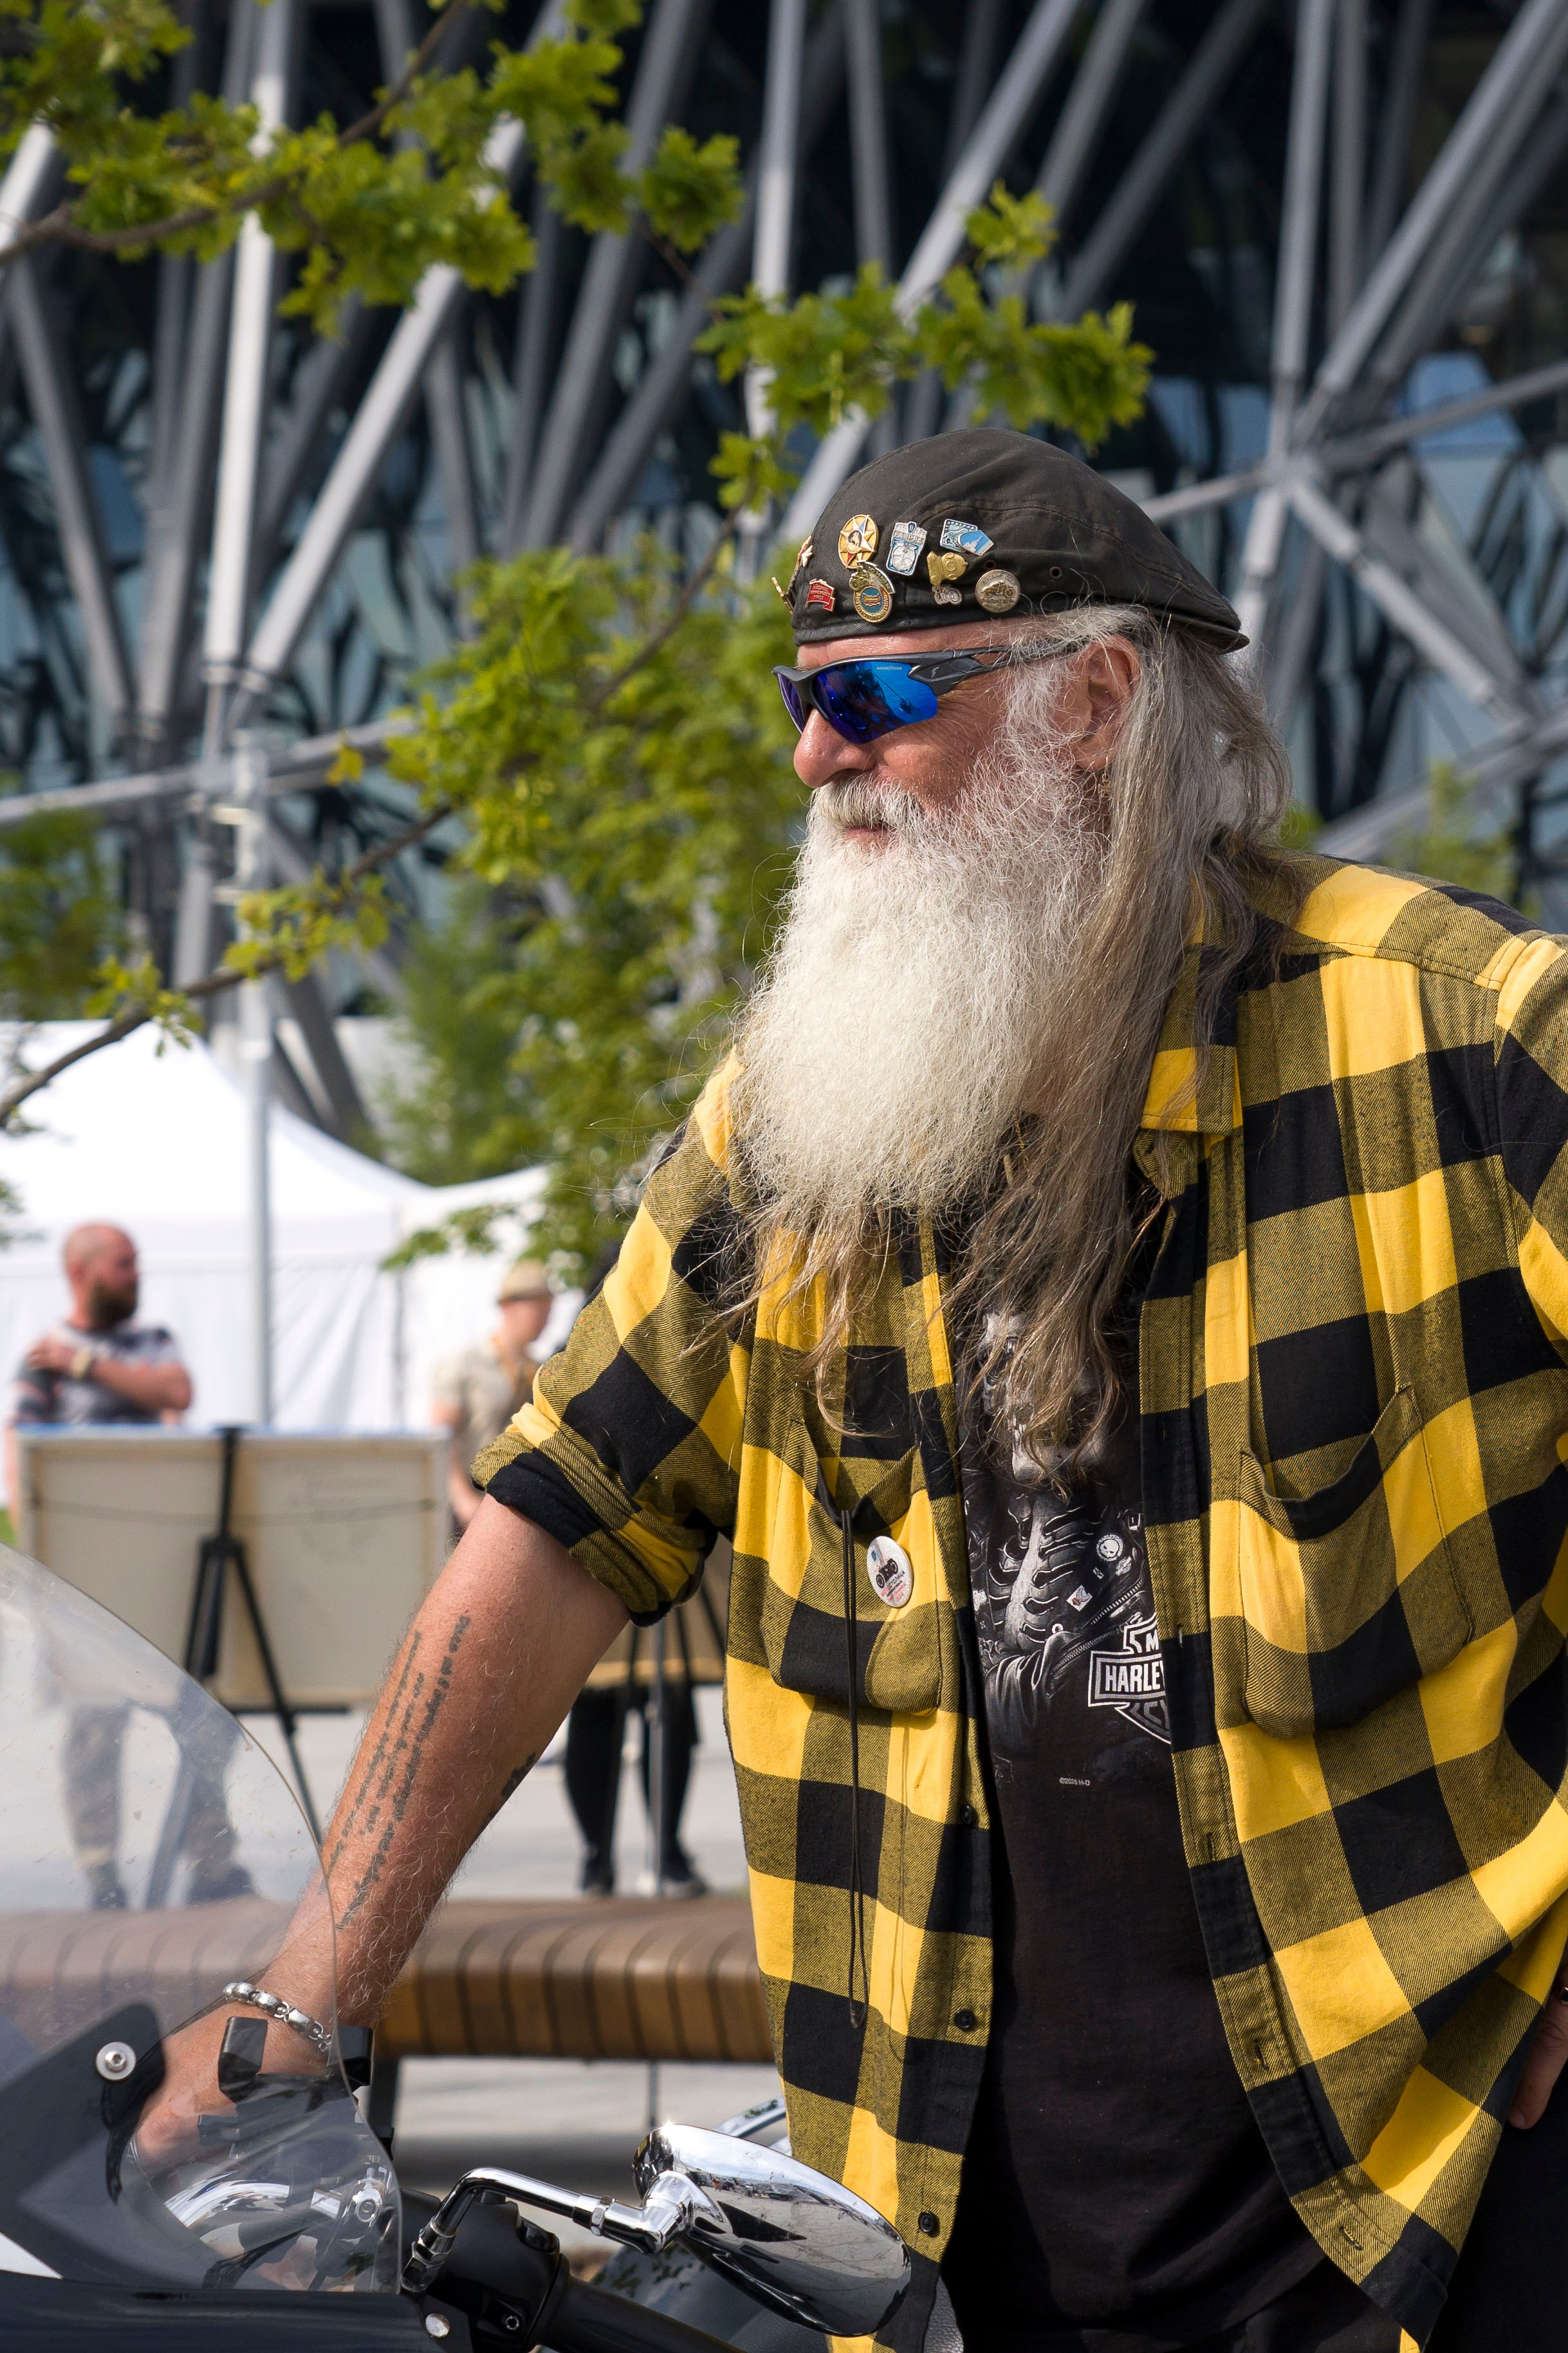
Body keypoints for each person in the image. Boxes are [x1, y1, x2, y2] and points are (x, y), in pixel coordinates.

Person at [143, 432, 1568, 2352]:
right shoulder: (791, 1134)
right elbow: (560, 1521)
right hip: (941, 2242)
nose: (819, 757)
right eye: (800, 703)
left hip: (1424, 2195)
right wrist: (307, 1996)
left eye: (880, 696)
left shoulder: (1458, 1032)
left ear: (1093, 702)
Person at [6, 1223, 242, 1911]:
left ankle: (211, 1862)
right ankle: (102, 1873)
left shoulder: (145, 1342)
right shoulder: (37, 1360)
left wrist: (86, 1366)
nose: (136, 1273)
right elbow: (19, 1458)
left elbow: (175, 1389)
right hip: (84, 1579)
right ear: (82, 1273)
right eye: (123, 1263)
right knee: (93, 1729)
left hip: (161, 1574)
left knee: (205, 1718)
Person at [430, 1260, 554, 1536]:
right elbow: (440, 1437)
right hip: (466, 1510)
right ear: (509, 1306)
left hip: (516, 1508)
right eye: (539, 1309)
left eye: (549, 1310)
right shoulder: (465, 1364)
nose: (546, 1319)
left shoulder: (541, 1370)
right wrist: (463, 1499)